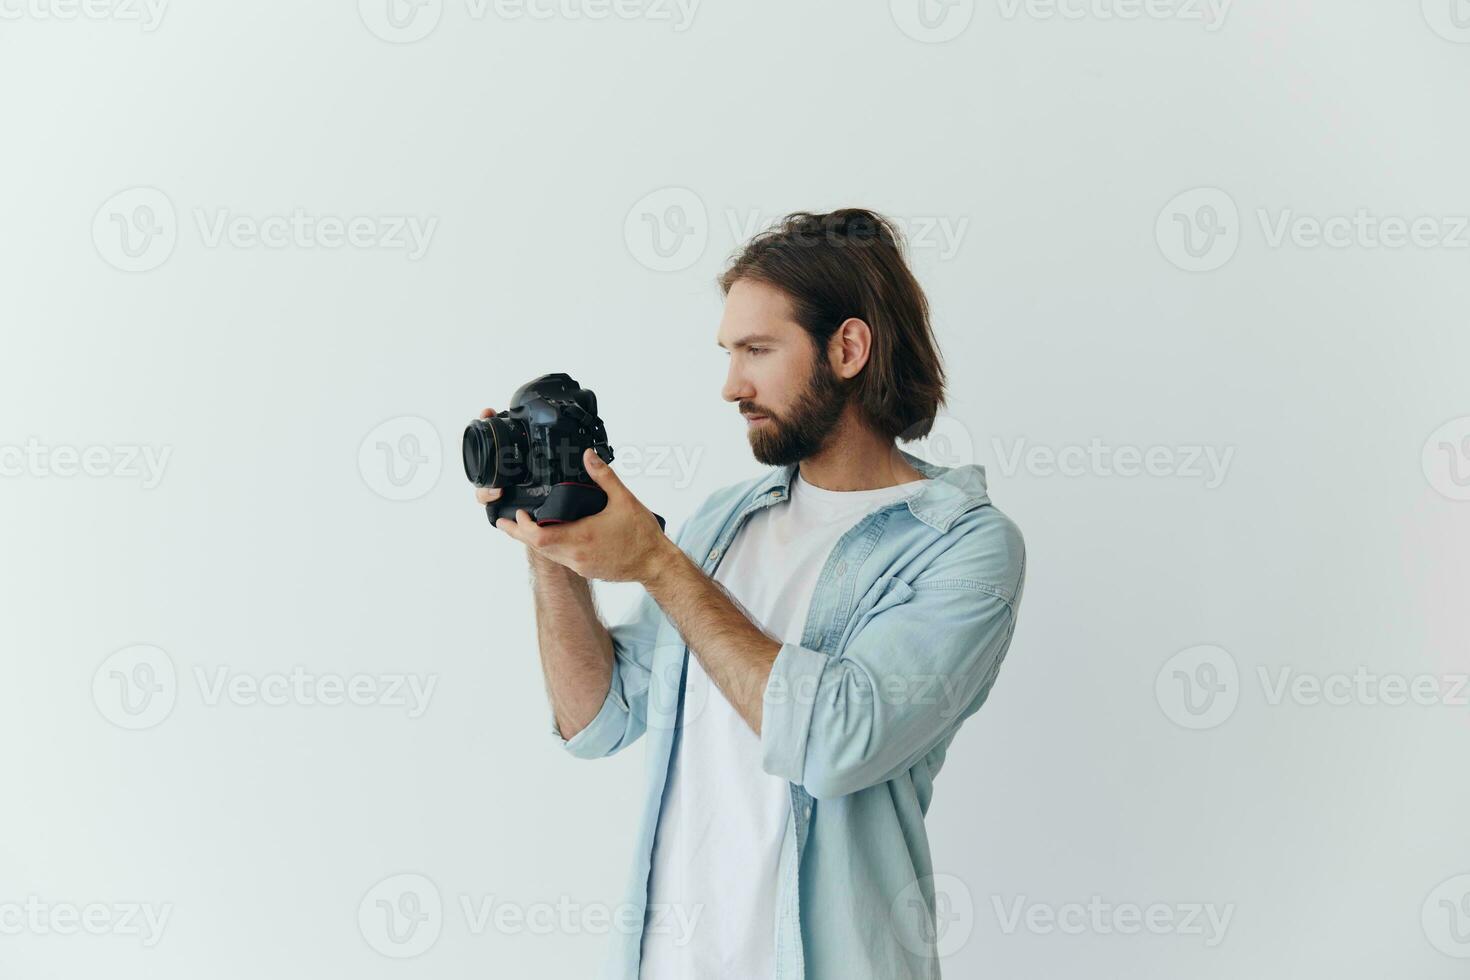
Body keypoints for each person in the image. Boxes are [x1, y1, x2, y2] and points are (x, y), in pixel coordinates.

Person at [475, 208, 1026, 979]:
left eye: (758, 350)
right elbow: (597, 719)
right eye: (729, 352)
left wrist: (660, 564)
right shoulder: (722, 523)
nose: (732, 384)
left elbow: (837, 743)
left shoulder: (960, 547)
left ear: (848, 348)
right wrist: (549, 548)